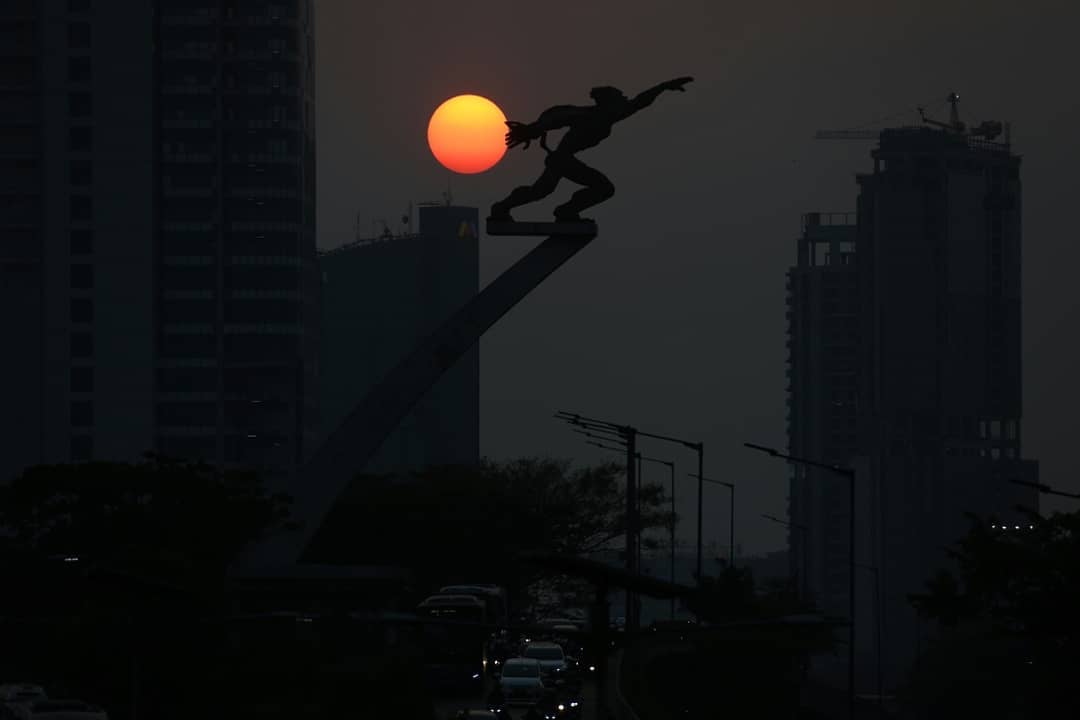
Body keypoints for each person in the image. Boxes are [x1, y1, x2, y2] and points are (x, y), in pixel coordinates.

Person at [489, 77, 694, 222]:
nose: (625, 101)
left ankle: (506, 208)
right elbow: (558, 116)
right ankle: (563, 211)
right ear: (609, 102)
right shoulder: (589, 115)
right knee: (601, 188)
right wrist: (533, 129)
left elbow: (639, 102)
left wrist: (663, 87)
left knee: (541, 191)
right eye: (620, 98)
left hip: (562, 159)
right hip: (562, 159)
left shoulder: (610, 116)